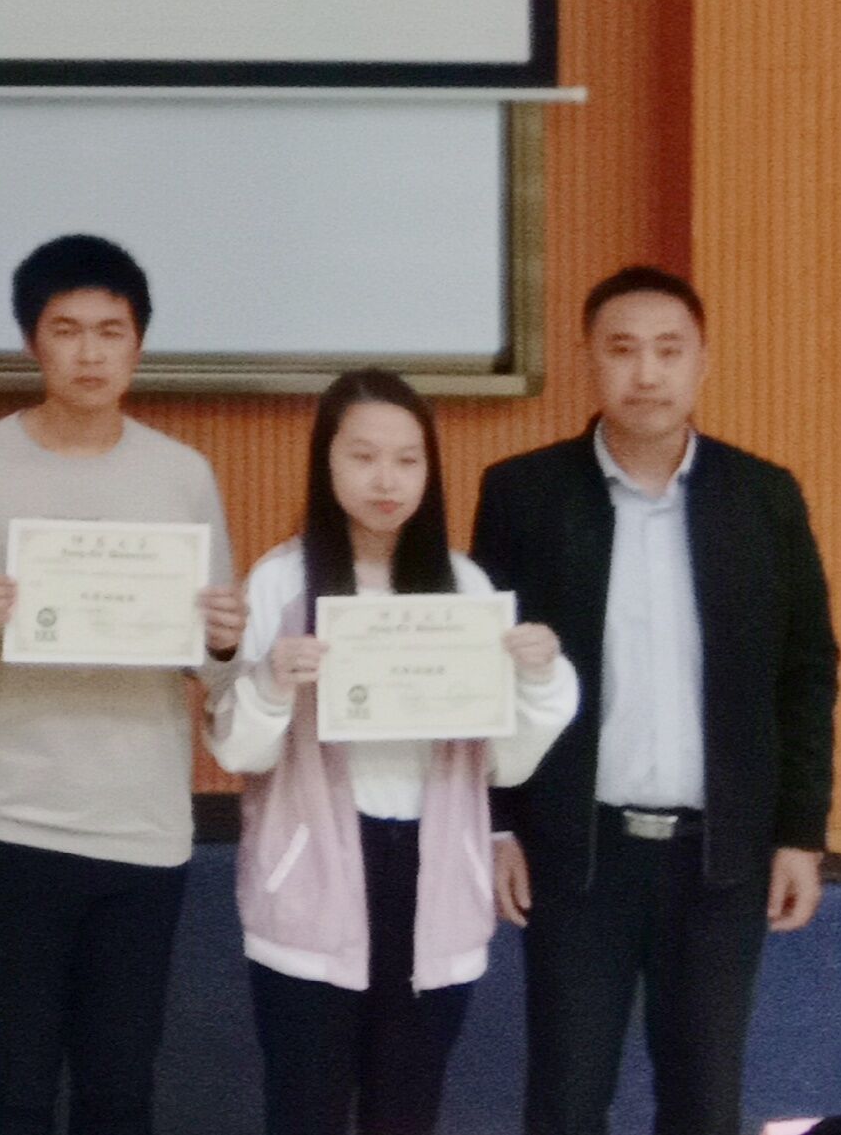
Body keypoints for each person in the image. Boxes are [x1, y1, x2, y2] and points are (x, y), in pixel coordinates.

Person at [471, 267, 841, 1135]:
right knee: (565, 1100)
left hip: (719, 856)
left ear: (702, 361)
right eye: (623, 349)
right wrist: (495, 824)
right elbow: (485, 673)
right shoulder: (524, 492)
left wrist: (800, 832)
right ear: (589, 360)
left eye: (669, 351)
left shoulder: (763, 496)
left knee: (705, 1103)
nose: (647, 373)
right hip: (576, 849)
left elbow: (807, 670)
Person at [0, 233, 246, 1135]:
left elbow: (212, 663)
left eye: (112, 330)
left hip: (142, 819)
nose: (90, 352)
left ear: (139, 342)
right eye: (67, 329)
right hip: (11, 814)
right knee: (15, 1081)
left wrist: (223, 640)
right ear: (33, 340)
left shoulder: (182, 475)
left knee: (120, 1084)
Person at [210, 371, 580, 1135]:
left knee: (406, 1114)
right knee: (303, 1113)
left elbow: (506, 764)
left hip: (433, 881)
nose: (387, 479)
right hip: (310, 883)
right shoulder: (281, 580)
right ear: (326, 462)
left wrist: (542, 681)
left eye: (408, 460)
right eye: (364, 456)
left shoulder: (465, 587)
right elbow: (239, 749)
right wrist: (272, 683)